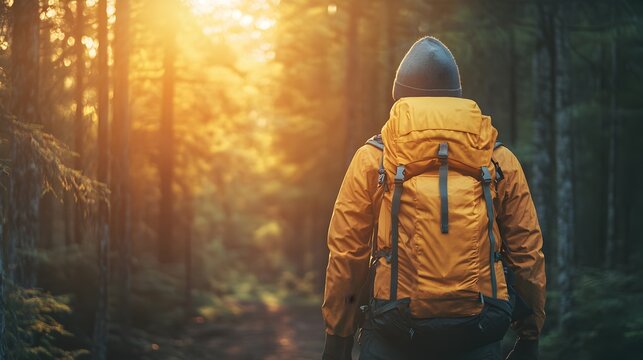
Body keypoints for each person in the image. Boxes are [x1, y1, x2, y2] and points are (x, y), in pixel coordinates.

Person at [321, 36, 546, 360]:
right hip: (479, 329)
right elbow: (527, 251)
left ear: (399, 97)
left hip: (393, 332)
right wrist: (530, 335)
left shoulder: (374, 159)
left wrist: (338, 337)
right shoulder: (497, 160)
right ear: (457, 96)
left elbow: (347, 252)